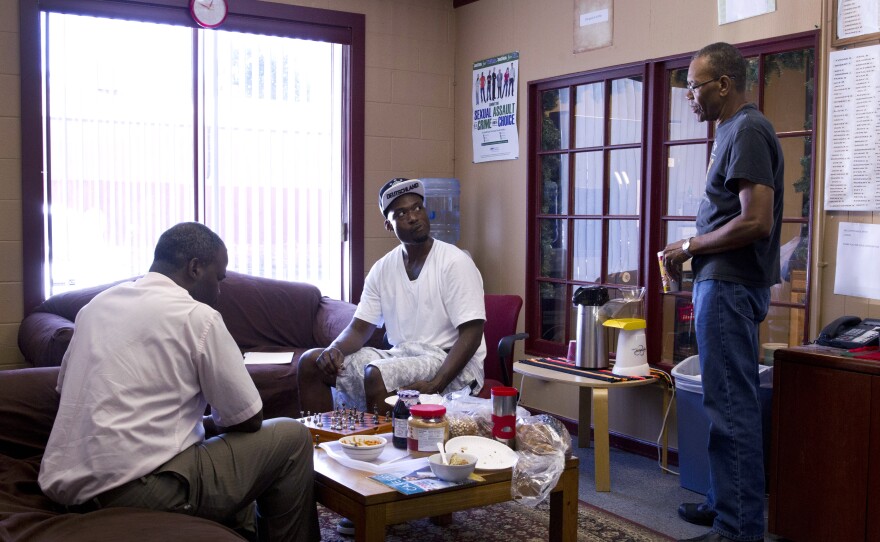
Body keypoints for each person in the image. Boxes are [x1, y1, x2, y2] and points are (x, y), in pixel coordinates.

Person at [38, 222, 319, 542]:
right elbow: (248, 419)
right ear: (195, 268)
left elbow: (69, 391)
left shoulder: (95, 308)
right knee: (292, 437)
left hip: (67, 489)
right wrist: (212, 421)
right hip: (136, 490)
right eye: (219, 277)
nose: (220, 291)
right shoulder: (197, 317)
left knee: (220, 455)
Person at [661, 42, 783, 542]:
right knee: (723, 403)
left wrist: (688, 245)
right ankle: (722, 504)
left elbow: (755, 220)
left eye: (695, 85)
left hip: (730, 286)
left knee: (732, 411)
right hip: (723, 283)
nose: (689, 95)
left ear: (724, 85)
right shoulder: (732, 130)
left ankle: (738, 531)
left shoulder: (749, 129)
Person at [297, 177, 486, 415]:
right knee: (311, 363)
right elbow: (358, 329)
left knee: (377, 374)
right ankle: (322, 445)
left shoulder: (455, 262)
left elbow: (473, 332)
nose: (414, 217)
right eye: (401, 213)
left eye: (418, 208)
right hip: (403, 354)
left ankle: (379, 449)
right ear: (389, 225)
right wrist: (333, 351)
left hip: (451, 362)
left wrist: (436, 384)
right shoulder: (382, 268)